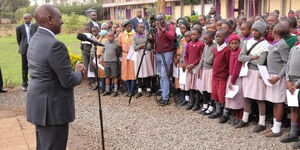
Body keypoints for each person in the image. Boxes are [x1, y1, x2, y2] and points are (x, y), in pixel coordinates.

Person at [27, 5, 86, 150]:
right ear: (50, 19)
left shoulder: (35, 38)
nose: (62, 22)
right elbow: (68, 81)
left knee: (44, 146)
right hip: (53, 109)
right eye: (59, 18)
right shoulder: (55, 45)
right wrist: (78, 71)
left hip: (39, 104)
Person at [236, 19, 270, 133]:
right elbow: (240, 57)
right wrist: (251, 57)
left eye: (256, 30)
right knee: (247, 97)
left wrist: (248, 58)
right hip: (247, 72)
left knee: (259, 98)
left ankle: (262, 122)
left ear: (261, 32)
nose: (254, 32)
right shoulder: (248, 42)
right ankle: (244, 119)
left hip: (257, 73)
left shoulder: (266, 45)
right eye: (253, 30)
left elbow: (261, 62)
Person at [264, 23, 290, 137]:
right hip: (272, 76)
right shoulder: (275, 44)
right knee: (274, 102)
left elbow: (286, 63)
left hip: (278, 77)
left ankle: (277, 129)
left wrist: (279, 76)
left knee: (278, 102)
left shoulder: (282, 45)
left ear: (275, 32)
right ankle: (275, 127)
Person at [280, 42, 300, 149]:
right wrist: (287, 80)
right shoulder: (294, 49)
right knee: (294, 108)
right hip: (291, 83)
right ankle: (293, 133)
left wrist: (296, 84)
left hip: (297, 84)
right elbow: (287, 64)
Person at [207, 30, 231, 120]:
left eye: (219, 36)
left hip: (223, 76)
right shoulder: (215, 49)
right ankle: (218, 110)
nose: (217, 38)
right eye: (216, 36)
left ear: (225, 38)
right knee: (215, 93)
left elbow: (228, 63)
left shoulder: (227, 49)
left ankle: (225, 113)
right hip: (215, 75)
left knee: (222, 94)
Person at [153, 14, 176, 106]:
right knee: (160, 75)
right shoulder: (155, 28)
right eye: (157, 20)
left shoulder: (170, 26)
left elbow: (171, 37)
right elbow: (154, 39)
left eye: (160, 20)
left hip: (166, 53)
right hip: (158, 53)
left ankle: (166, 97)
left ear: (164, 20)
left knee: (164, 75)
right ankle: (163, 93)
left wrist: (162, 29)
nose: (159, 22)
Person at [223, 34, 244, 124]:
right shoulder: (231, 52)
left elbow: (237, 67)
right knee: (233, 97)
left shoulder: (239, 52)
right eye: (232, 43)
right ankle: (236, 116)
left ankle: (240, 117)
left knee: (238, 97)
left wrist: (232, 80)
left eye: (236, 43)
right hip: (231, 76)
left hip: (236, 78)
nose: (234, 45)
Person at [183, 28, 204, 111]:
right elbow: (186, 55)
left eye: (195, 34)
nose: (193, 36)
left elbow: (201, 57)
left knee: (197, 86)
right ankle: (191, 102)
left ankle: (197, 103)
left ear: (199, 35)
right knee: (191, 86)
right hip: (189, 68)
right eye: (192, 35)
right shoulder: (189, 44)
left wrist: (193, 64)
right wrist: (188, 64)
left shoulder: (201, 44)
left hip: (196, 67)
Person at [16, 13, 38, 91]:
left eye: (27, 18)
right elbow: (19, 40)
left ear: (30, 19)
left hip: (33, 49)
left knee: (35, 66)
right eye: (24, 18)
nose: (25, 19)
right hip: (24, 49)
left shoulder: (35, 26)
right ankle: (25, 84)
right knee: (24, 67)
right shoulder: (19, 28)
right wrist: (22, 46)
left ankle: (35, 83)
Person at [133, 23, 155, 98]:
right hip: (139, 55)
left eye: (143, 27)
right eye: (140, 27)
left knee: (147, 71)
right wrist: (142, 45)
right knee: (139, 71)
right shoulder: (134, 36)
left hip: (146, 54)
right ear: (137, 28)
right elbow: (134, 48)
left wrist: (139, 46)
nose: (141, 28)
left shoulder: (147, 35)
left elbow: (149, 46)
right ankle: (139, 90)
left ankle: (149, 89)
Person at [199, 31, 216, 115]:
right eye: (204, 39)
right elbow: (202, 57)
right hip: (204, 70)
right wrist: (199, 68)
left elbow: (210, 60)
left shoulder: (214, 47)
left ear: (212, 38)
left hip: (210, 70)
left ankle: (212, 106)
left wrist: (205, 59)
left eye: (206, 39)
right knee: (204, 88)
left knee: (210, 89)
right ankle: (205, 104)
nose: (204, 41)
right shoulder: (206, 46)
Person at [118, 20, 136, 97]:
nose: (129, 27)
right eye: (128, 26)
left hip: (132, 55)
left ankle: (132, 90)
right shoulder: (121, 35)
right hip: (125, 55)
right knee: (126, 73)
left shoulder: (135, 34)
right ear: (125, 27)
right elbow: (119, 45)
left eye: (130, 26)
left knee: (132, 72)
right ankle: (128, 90)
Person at [102, 31, 121, 97]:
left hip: (113, 62)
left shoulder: (116, 44)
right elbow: (103, 52)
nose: (110, 37)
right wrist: (103, 60)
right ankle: (107, 90)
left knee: (114, 76)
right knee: (107, 76)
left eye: (112, 36)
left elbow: (118, 52)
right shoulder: (105, 43)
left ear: (114, 36)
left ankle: (115, 90)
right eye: (109, 36)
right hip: (106, 61)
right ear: (107, 37)